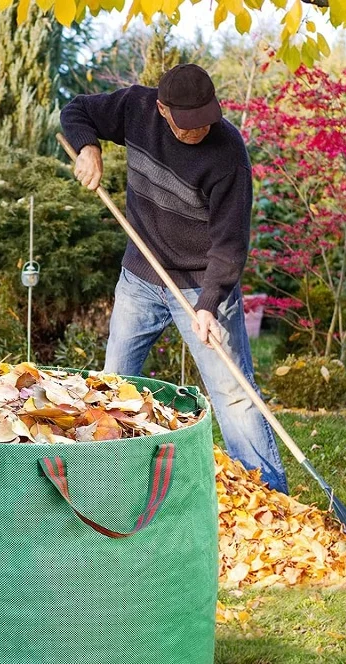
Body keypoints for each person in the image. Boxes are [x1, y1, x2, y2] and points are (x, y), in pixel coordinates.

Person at [60, 63, 288, 493]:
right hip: (140, 278)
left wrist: (209, 304)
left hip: (202, 284)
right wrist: (88, 147)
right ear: (162, 109)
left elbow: (230, 244)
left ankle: (271, 497)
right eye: (188, 122)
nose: (199, 129)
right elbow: (77, 110)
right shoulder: (135, 108)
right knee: (114, 383)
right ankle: (103, 482)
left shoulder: (227, 152)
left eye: (205, 119)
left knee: (234, 393)